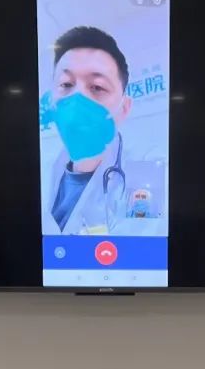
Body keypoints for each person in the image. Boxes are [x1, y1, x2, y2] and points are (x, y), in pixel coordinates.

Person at [41, 26, 166, 237]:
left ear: (124, 108)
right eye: (66, 84)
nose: (77, 100)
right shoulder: (45, 166)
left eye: (97, 87)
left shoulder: (149, 168)